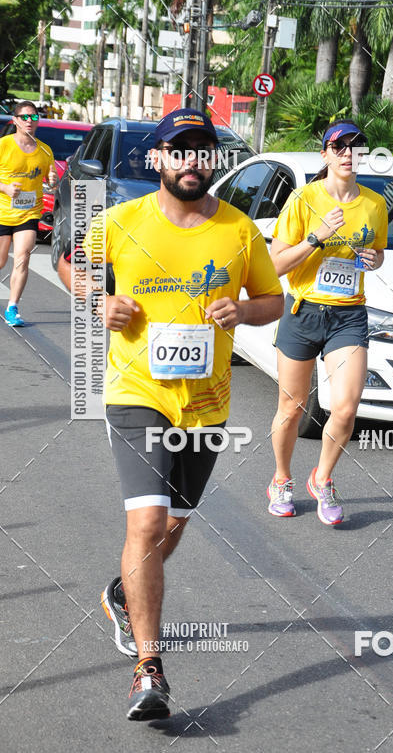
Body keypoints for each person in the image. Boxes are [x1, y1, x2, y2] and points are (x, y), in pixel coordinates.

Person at [59, 108, 283, 721]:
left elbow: (273, 300)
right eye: (178, 150)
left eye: (201, 150)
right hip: (136, 395)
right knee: (146, 522)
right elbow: (71, 266)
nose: (190, 160)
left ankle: (120, 593)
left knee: (168, 531)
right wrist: (99, 299)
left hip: (206, 406)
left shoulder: (239, 231)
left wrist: (244, 313)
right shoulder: (121, 221)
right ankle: (148, 668)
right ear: (156, 159)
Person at [268, 119, 388, 525]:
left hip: (348, 315)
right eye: (340, 147)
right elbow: (275, 265)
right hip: (303, 312)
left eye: (357, 146)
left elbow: (378, 252)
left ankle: (322, 478)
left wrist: (374, 259)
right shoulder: (303, 200)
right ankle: (282, 478)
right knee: (292, 407)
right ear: (325, 155)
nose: (349, 154)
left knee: (347, 407)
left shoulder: (374, 204)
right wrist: (316, 238)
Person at [0, 101, 57, 326]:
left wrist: (52, 181)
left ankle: (12, 307)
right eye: (24, 117)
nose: (29, 121)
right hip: (2, 213)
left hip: (29, 214)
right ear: (15, 121)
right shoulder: (4, 145)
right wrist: (4, 188)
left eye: (33, 117)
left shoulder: (45, 150)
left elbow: (50, 180)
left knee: (23, 259)